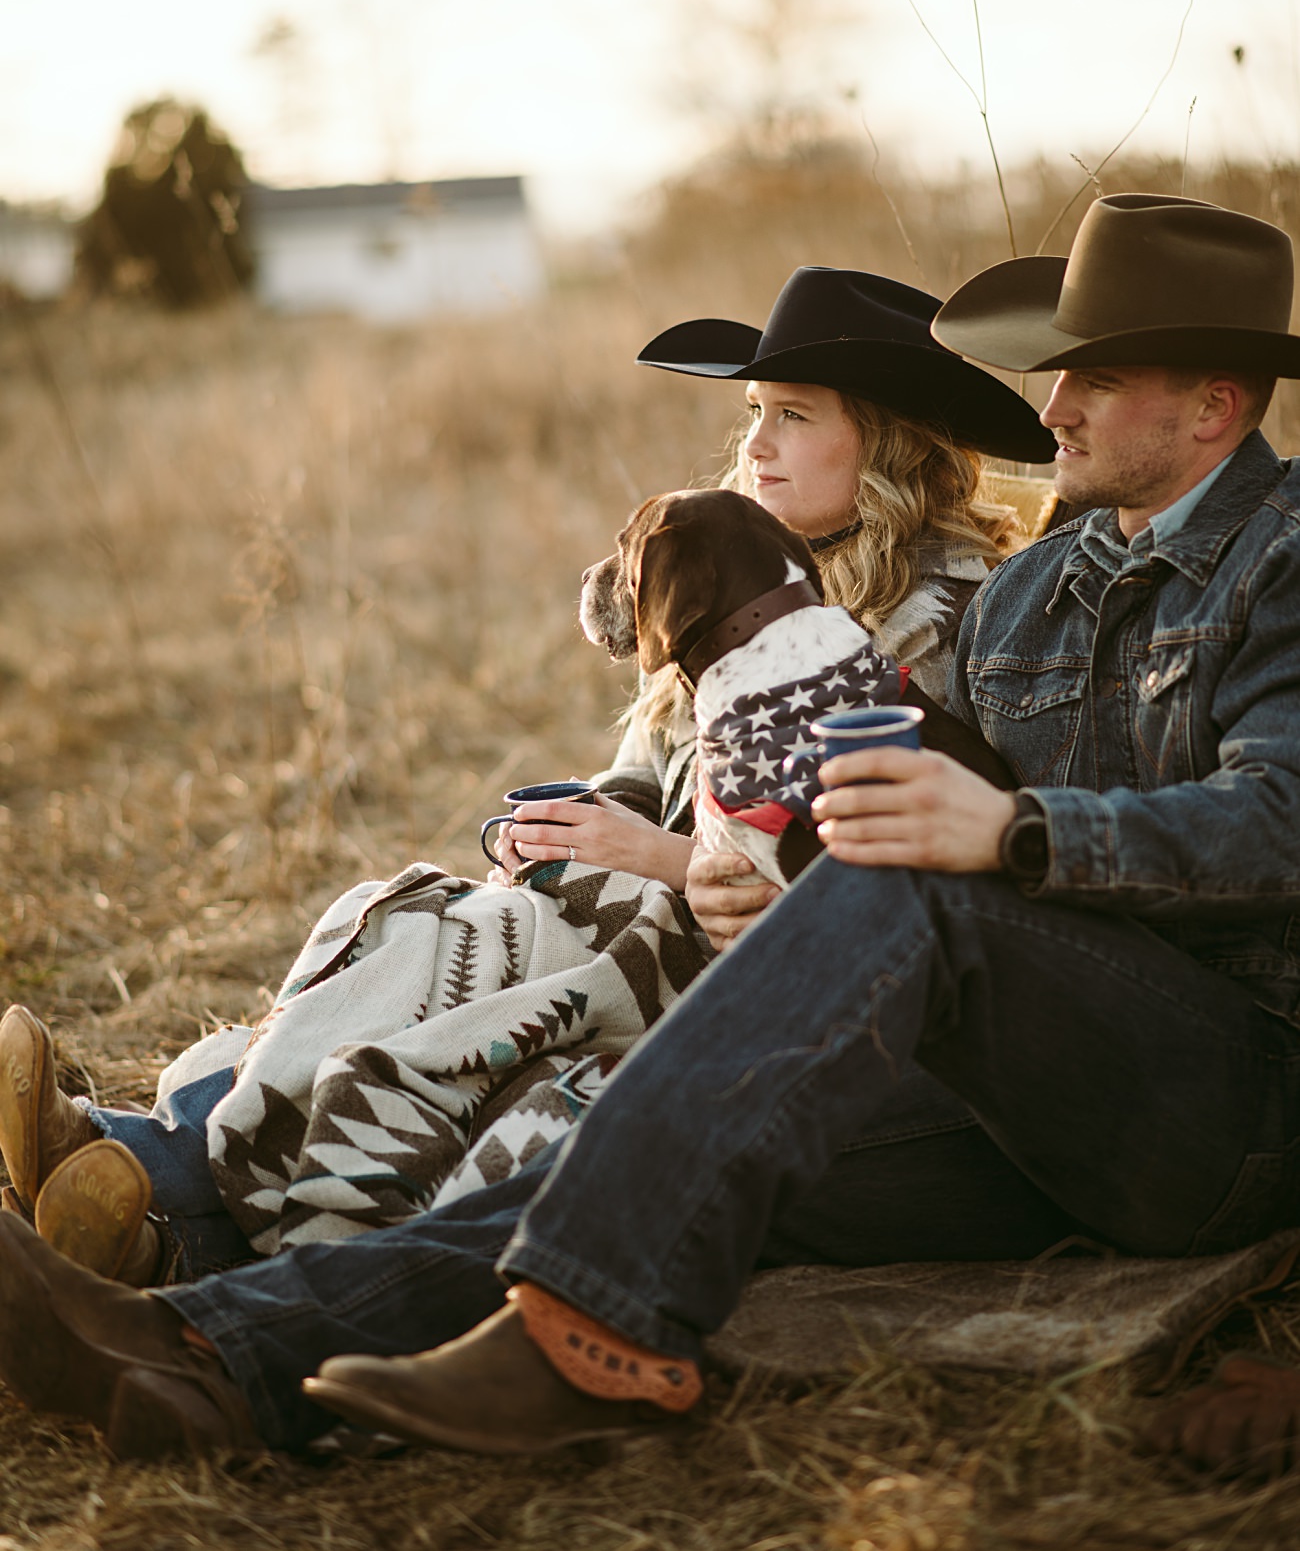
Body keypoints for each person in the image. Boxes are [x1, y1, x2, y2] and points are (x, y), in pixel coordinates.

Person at [5, 191, 1300, 1463]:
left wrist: (1013, 829)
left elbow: (1278, 817)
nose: (1055, 404)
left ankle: (569, 1340)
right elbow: (897, 801)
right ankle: (198, 1355)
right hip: (1019, 1093)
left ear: (1212, 405)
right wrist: (783, 879)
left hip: (1222, 1101)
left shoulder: (1282, 560)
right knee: (640, 1168)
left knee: (897, 907)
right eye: (1058, 372)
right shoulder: (1032, 594)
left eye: (1098, 377)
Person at [0, 268, 1046, 1291]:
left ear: (889, 445)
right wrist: (579, 824)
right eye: (753, 412)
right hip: (640, 910)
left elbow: (869, 865)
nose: (755, 445)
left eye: (795, 416)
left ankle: (143, 1172)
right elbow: (649, 772)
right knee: (404, 926)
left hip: (749, 960)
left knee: (451, 981)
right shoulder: (730, 563)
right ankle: (148, 1222)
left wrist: (662, 857)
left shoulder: (953, 625)